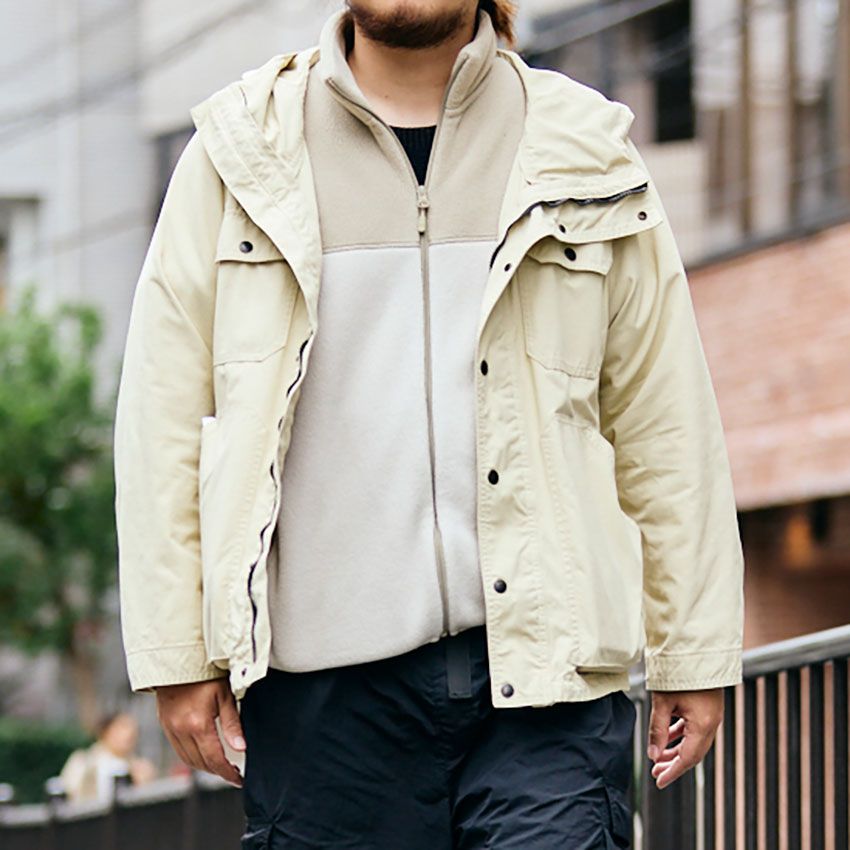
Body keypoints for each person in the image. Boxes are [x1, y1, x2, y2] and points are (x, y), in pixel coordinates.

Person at [113, 1, 745, 847]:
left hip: (547, 686)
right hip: (322, 700)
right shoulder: (238, 153)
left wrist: (692, 649)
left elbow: (665, 419)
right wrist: (177, 655)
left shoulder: (583, 145)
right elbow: (161, 420)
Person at [58, 711, 156, 804]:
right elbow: (68, 795)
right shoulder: (82, 761)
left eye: (133, 730)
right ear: (105, 731)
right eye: (122, 728)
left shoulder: (139, 767)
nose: (128, 734)